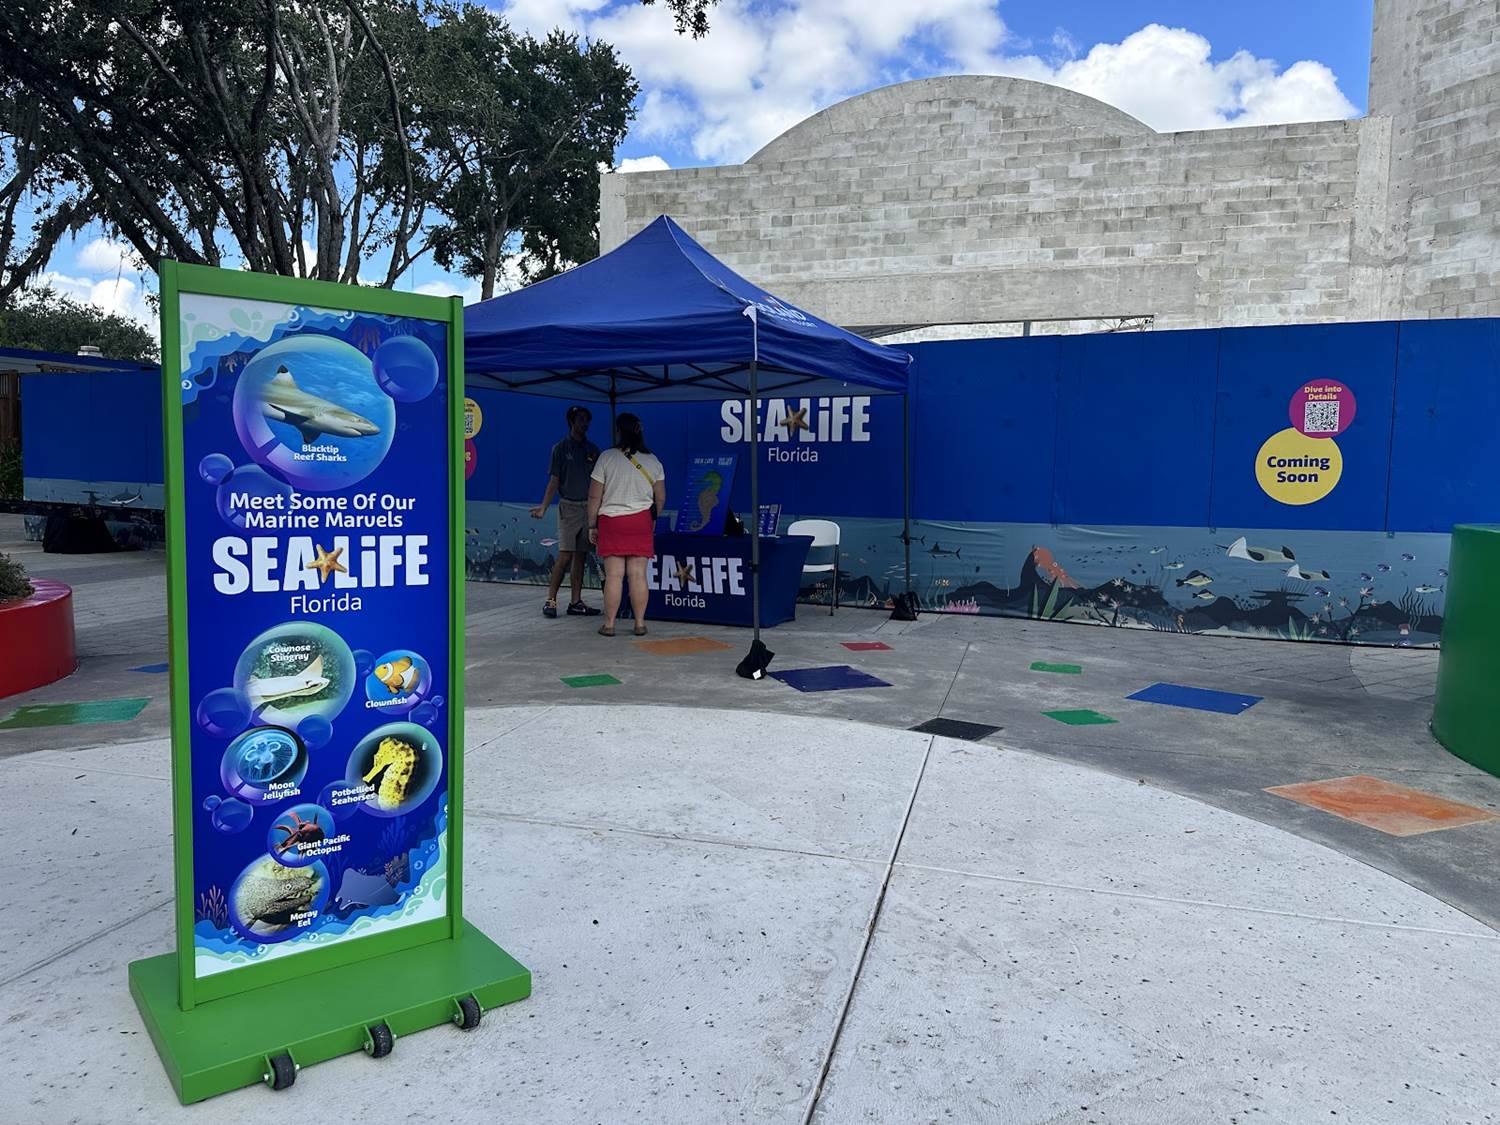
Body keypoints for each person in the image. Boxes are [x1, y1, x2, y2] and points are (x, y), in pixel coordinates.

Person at [587, 413, 666, 637]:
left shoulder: (606, 457)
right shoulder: (653, 460)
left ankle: (609, 624)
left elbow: (594, 496)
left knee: (614, 576)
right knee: (638, 575)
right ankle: (639, 623)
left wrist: (592, 525)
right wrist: (652, 519)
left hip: (611, 522)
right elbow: (660, 498)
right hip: (640, 521)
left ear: (618, 431)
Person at [529, 405, 601, 618]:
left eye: (587, 420)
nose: (584, 424)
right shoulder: (560, 448)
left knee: (581, 555)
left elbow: (598, 482)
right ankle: (550, 600)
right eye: (580, 419)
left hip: (588, 507)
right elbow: (554, 480)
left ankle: (576, 602)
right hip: (568, 507)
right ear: (571, 422)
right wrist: (543, 507)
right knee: (565, 554)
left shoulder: (593, 450)